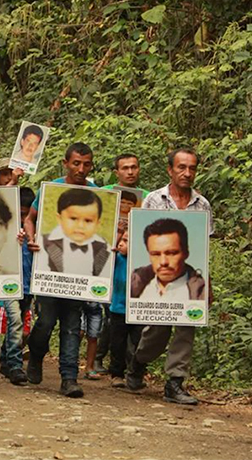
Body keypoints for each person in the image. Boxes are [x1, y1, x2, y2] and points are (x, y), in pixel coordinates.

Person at [126, 148, 212, 405]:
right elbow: (139, 237)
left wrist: (207, 286)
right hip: (156, 279)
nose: (187, 173)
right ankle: (138, 362)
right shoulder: (154, 199)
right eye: (181, 167)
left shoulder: (203, 204)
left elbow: (204, 248)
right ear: (170, 170)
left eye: (192, 168)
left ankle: (175, 382)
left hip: (187, 278)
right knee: (156, 331)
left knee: (187, 327)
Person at [24, 142, 98, 398]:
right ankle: (36, 355)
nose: (81, 169)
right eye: (76, 163)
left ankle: (69, 378)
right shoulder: (51, 189)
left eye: (86, 164)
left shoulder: (97, 194)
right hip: (50, 268)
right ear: (65, 163)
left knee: (71, 324)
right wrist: (32, 238)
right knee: (45, 321)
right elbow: (30, 218)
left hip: (78, 273)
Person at [94, 153, 148, 374]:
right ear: (116, 172)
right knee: (111, 315)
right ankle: (102, 358)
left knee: (129, 317)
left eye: (134, 167)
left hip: (135, 263)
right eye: (125, 168)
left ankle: (127, 364)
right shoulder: (105, 193)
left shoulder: (148, 197)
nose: (130, 172)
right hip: (108, 260)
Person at [0, 186, 36, 386]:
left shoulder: (36, 231)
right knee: (15, 321)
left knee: (18, 321)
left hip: (28, 285)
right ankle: (15, 365)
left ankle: (5, 358)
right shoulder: (3, 228)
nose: (22, 219)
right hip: (8, 283)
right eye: (20, 214)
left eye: (26, 215)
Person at [34, 187, 112, 278]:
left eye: (88, 220)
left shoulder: (104, 248)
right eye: (73, 218)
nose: (80, 226)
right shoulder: (44, 243)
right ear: (59, 219)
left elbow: (104, 279)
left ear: (97, 224)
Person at [130, 218, 205, 300]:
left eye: (171, 253)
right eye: (155, 254)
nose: (163, 262)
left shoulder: (202, 294)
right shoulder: (134, 286)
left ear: (186, 253)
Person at [107, 227, 143, 388]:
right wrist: (116, 239)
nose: (121, 244)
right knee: (117, 343)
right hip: (118, 309)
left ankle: (136, 373)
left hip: (138, 309)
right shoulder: (117, 259)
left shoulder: (143, 262)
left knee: (138, 343)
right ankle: (117, 374)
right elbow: (107, 253)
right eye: (121, 240)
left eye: (126, 241)